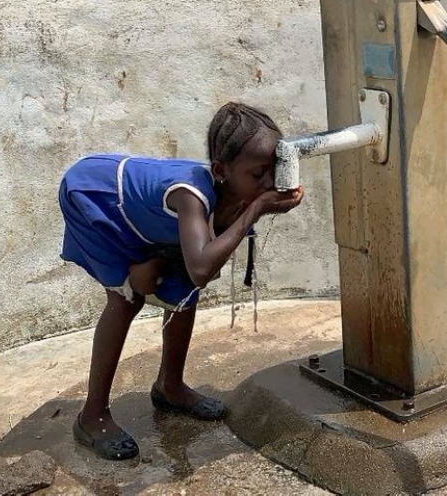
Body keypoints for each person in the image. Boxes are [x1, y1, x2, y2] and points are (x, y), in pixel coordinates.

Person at [59, 102, 304, 460]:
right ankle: (92, 416)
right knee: (127, 299)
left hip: (144, 219)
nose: (268, 183)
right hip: (96, 196)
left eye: (274, 171)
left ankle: (170, 386)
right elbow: (203, 266)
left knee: (184, 291)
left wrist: (256, 201)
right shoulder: (191, 196)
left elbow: (202, 269)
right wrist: (257, 208)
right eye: (258, 174)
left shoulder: (235, 193)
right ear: (221, 170)